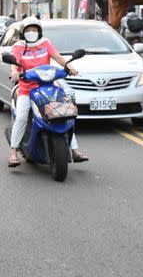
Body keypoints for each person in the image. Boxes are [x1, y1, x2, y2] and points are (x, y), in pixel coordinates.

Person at [8, 16, 88, 166]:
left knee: (65, 114)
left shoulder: (45, 43)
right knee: (21, 117)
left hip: (49, 87)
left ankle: (74, 150)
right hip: (26, 89)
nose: (31, 32)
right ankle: (13, 152)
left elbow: (57, 57)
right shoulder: (19, 46)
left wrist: (69, 67)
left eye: (34, 29)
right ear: (22, 32)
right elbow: (14, 62)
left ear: (39, 31)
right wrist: (14, 72)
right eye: (28, 30)